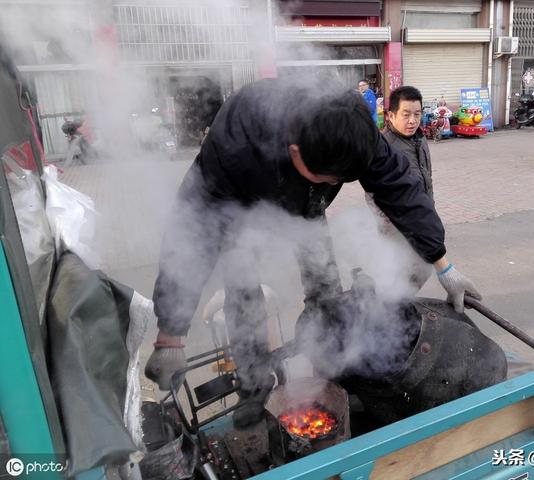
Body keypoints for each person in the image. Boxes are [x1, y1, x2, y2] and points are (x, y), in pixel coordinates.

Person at [144, 78, 481, 428]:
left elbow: (401, 189)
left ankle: (335, 371)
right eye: (326, 176)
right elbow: (191, 234)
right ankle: (253, 385)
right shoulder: (235, 143)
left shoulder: (352, 128)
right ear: (294, 150)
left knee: (325, 290)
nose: (334, 184)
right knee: (242, 287)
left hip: (306, 207)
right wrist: (170, 335)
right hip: (242, 210)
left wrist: (442, 263)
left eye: (341, 179)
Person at [366, 86, 434, 291]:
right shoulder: (383, 148)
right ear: (391, 115)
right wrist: (398, 232)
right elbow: (373, 196)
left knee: (420, 270)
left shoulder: (419, 139)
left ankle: (399, 305)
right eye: (406, 115)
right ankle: (391, 311)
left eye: (417, 114)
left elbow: (426, 180)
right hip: (398, 229)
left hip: (421, 220)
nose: (412, 120)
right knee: (399, 274)